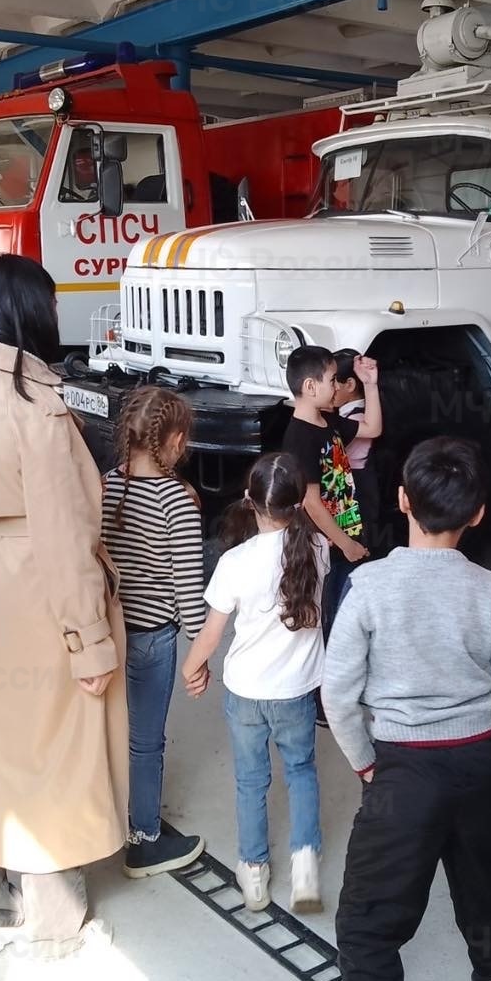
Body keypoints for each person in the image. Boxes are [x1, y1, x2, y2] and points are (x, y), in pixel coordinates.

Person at [0, 253, 126, 960]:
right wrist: (89, 641)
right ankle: (53, 908)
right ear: (29, 311)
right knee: (56, 738)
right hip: (39, 579)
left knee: (0, 720)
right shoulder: (37, 404)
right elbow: (65, 536)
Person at [323, 437, 491, 981]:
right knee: (486, 893)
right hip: (477, 764)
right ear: (477, 513)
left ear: (401, 500)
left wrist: (367, 765)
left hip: (401, 769)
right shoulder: (490, 590)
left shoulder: (367, 586)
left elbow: (338, 695)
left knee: (367, 924)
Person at [180, 452, 328, 915]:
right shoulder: (319, 549)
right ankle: (305, 867)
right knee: (301, 771)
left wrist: (193, 669)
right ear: (301, 501)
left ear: (249, 501)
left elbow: (211, 632)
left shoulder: (235, 562)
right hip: (297, 691)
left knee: (251, 780)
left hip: (247, 691)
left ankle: (255, 873)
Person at [100, 386, 208, 879]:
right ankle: (143, 839)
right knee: (145, 742)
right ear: (177, 440)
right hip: (151, 637)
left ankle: (105, 820)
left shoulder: (105, 483)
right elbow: (188, 585)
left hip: (108, 631)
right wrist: (199, 650)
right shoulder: (177, 500)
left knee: (109, 730)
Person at [280, 345, 381, 641]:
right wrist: (346, 544)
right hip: (323, 548)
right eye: (332, 380)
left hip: (342, 542)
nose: (337, 387)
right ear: (311, 387)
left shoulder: (329, 422)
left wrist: (371, 385)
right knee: (328, 623)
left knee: (342, 619)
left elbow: (372, 428)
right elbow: (311, 502)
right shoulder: (299, 437)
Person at [331, 349, 390, 559]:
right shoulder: (357, 411)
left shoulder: (356, 419)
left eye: (332, 383)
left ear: (349, 385)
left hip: (358, 487)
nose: (331, 389)